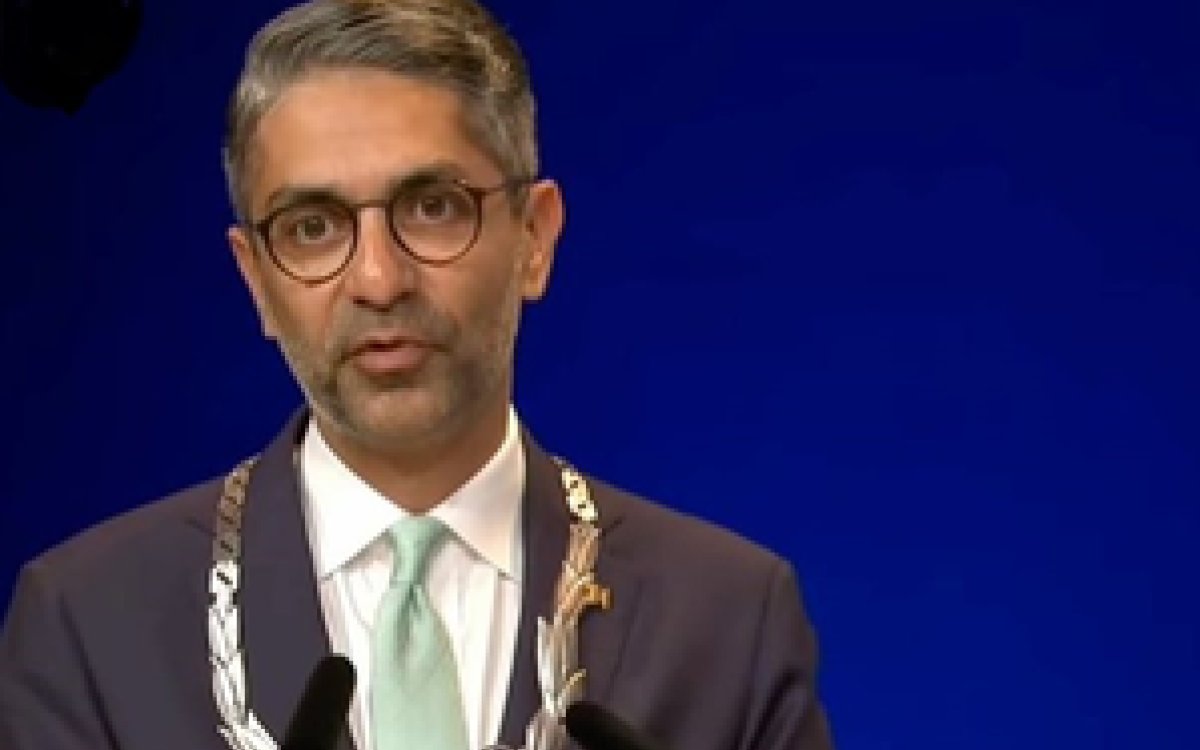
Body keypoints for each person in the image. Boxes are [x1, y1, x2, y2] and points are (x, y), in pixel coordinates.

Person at [0, 1, 834, 749]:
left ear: (534, 238)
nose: (378, 279)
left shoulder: (729, 617)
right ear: (255, 279)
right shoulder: (86, 623)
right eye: (313, 226)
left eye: (433, 208)